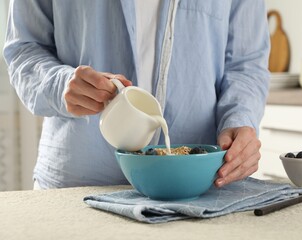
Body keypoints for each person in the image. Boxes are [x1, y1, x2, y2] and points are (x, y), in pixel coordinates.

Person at [3, 0, 270, 189]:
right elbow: (24, 48)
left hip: (199, 192)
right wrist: (59, 84)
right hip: (79, 187)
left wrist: (240, 119)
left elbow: (246, 63)